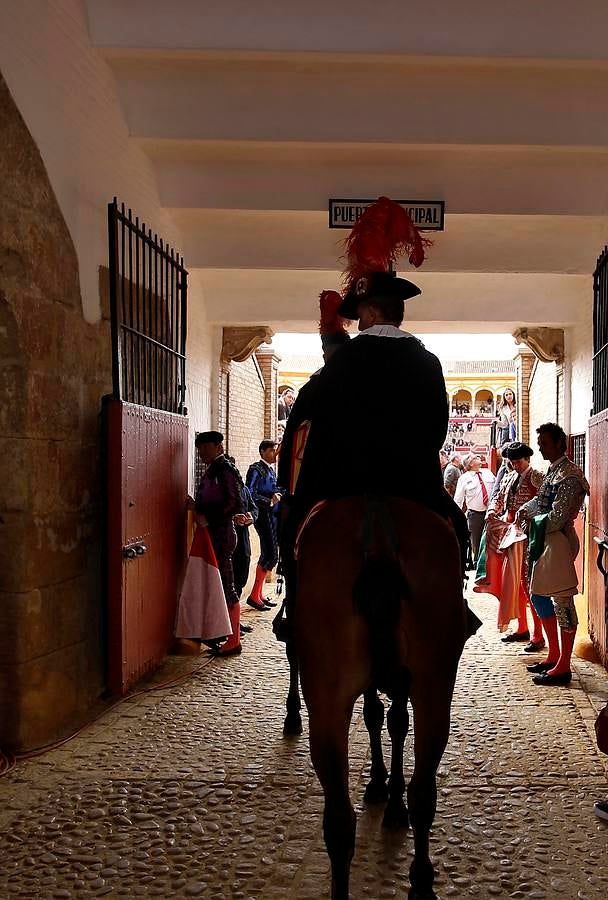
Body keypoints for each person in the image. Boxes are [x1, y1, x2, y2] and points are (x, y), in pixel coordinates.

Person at [284, 196, 478, 635]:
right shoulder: (428, 363)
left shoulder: (341, 365)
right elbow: (437, 431)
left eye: (358, 316)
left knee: (294, 529)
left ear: (369, 312)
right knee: (456, 532)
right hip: (413, 485)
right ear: (398, 311)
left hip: (342, 483)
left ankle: (292, 608)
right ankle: (455, 608)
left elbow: (302, 422)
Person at [516, 422, 589, 686]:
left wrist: (530, 519)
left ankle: (563, 666)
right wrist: (526, 507)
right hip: (546, 540)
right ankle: (555, 655)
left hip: (557, 541)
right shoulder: (555, 470)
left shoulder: (569, 475)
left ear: (559, 442)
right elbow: (542, 501)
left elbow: (557, 517)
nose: (540, 447)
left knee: (563, 601)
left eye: (545, 442)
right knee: (538, 594)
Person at [474, 442, 544, 648]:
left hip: (529, 536)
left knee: (529, 585)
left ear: (527, 459)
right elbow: (498, 497)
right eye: (512, 461)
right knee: (514, 584)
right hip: (510, 535)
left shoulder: (536, 476)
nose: (515, 465)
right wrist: (491, 511)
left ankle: (538, 636)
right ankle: (522, 628)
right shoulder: (510, 476)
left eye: (518, 461)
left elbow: (544, 502)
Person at [193, 432, 245, 656]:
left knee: (226, 585)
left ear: (218, 447)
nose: (202, 452)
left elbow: (235, 503)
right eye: (200, 449)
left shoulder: (225, 469)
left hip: (222, 535)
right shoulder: (215, 469)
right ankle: (222, 634)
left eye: (206, 448)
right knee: (219, 585)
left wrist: (208, 517)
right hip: (215, 533)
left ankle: (233, 640)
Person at [246, 440, 283, 611]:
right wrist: (269, 500)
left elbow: (275, 489)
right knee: (271, 555)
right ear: (262, 452)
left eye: (275, 450)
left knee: (268, 554)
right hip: (262, 515)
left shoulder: (270, 470)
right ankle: (254, 595)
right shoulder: (256, 469)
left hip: (272, 516)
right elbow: (250, 493)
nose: (274, 453)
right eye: (271, 451)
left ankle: (257, 594)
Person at [454, 455, 495, 567]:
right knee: (476, 543)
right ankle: (478, 566)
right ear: (470, 463)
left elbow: (497, 490)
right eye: (475, 457)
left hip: (491, 513)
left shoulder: (488, 473)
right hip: (475, 515)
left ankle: (491, 566)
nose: (478, 458)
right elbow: (458, 499)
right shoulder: (464, 478)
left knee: (491, 541)